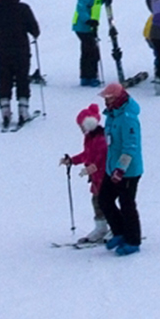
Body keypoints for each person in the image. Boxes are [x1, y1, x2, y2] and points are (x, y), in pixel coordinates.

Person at [0, 0, 40, 129]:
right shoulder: (23, 8)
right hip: (21, 50)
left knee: (5, 79)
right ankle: (23, 110)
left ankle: (5, 110)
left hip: (3, 50)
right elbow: (35, 29)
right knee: (22, 78)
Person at [100, 82, 144, 253]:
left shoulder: (127, 118)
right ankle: (119, 231)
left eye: (109, 98)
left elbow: (130, 146)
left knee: (127, 204)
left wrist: (121, 169)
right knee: (104, 199)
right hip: (111, 168)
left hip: (128, 172)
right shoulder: (112, 116)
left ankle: (133, 240)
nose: (106, 102)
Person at [62, 105, 110, 245]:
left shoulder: (100, 139)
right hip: (96, 178)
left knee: (106, 202)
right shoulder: (90, 138)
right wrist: (72, 160)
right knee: (97, 201)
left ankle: (115, 226)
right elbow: (87, 155)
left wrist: (90, 169)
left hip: (104, 177)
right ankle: (101, 227)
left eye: (81, 125)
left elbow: (101, 159)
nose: (81, 129)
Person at [74, 0, 109, 87]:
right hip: (84, 27)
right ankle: (90, 77)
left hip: (89, 26)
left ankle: (86, 76)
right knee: (92, 52)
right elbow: (81, 6)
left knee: (88, 51)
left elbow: (94, 3)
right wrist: (88, 21)